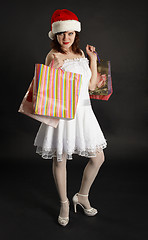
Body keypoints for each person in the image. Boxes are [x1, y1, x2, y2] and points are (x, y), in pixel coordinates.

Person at [34, 9, 107, 226]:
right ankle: (64, 203)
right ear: (55, 36)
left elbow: (92, 86)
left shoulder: (82, 55)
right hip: (64, 115)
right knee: (60, 159)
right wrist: (52, 70)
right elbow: (44, 92)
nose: (66, 38)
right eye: (61, 34)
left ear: (76, 34)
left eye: (70, 34)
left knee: (98, 158)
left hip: (84, 113)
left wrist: (93, 60)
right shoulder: (53, 56)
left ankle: (82, 196)